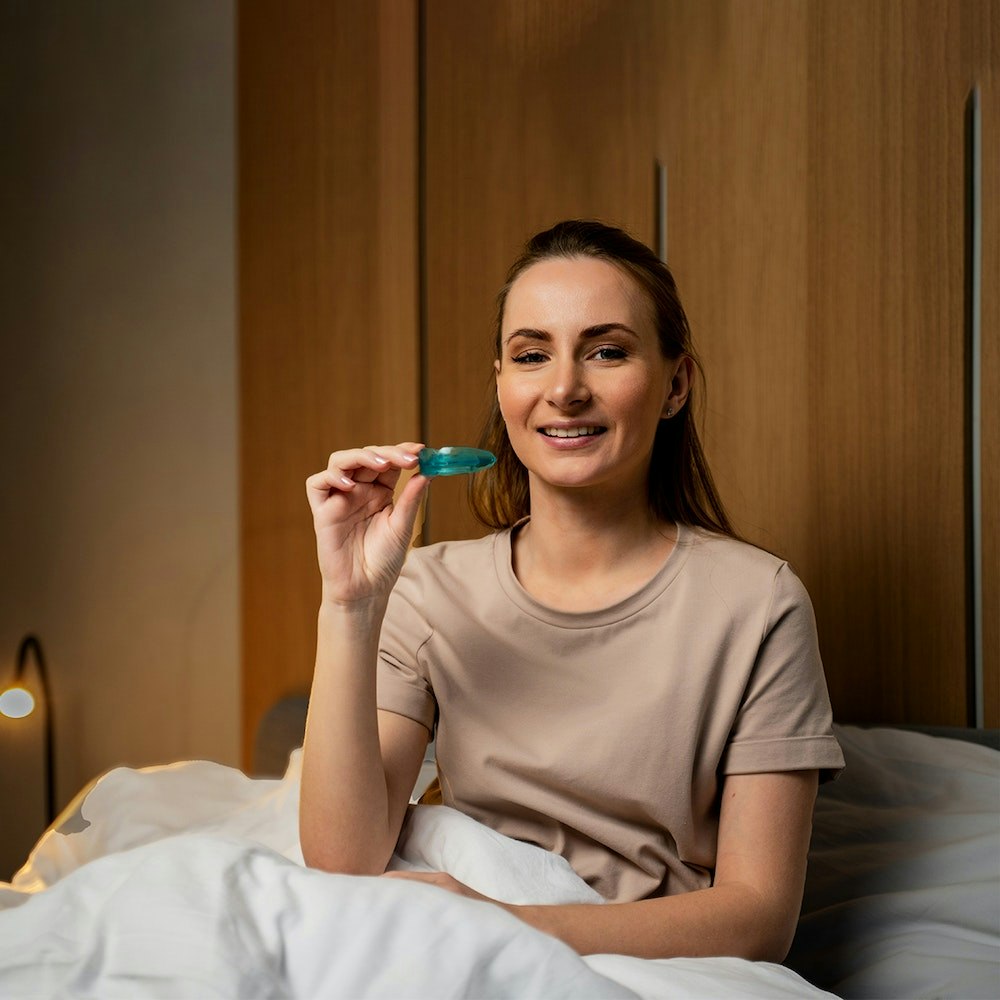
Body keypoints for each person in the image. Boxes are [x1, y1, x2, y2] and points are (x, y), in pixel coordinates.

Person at [299, 219, 845, 961]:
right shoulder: (427, 591)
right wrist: (349, 605)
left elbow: (758, 920)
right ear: (502, 383)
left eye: (608, 351)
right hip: (442, 941)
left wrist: (504, 926)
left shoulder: (759, 605)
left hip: (638, 967)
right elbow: (342, 861)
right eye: (531, 356)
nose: (564, 389)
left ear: (675, 384)